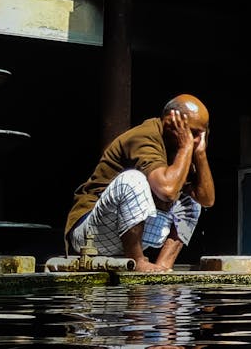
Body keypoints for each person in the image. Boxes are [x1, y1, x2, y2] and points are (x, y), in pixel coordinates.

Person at [64, 94, 215, 272]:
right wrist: (186, 147)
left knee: (192, 201)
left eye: (202, 133)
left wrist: (200, 153)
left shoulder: (187, 146)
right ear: (171, 121)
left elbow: (207, 199)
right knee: (132, 179)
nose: (197, 139)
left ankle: (163, 266)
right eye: (194, 133)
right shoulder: (144, 136)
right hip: (92, 233)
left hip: (130, 232)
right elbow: (167, 190)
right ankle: (138, 261)